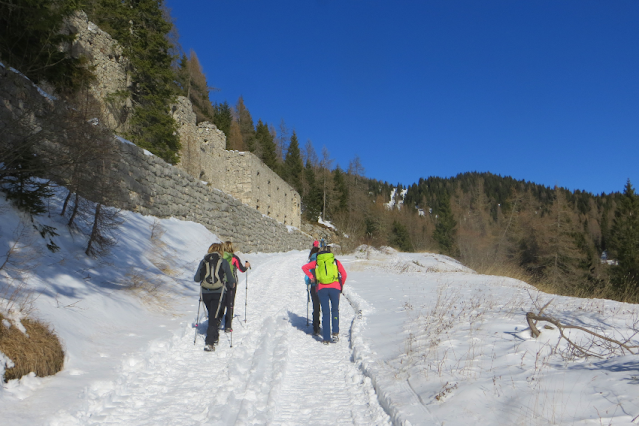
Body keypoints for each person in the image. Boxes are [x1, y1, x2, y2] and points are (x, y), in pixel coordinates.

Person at [194, 242, 236, 352]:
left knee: (212, 314)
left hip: (205, 292)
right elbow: (231, 279)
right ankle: (210, 342)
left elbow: (196, 278)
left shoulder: (204, 261)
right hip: (218, 292)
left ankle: (215, 335)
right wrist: (232, 283)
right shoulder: (224, 261)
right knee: (214, 317)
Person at [302, 246, 347, 345]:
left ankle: (326, 338)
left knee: (325, 312)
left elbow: (304, 267)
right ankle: (335, 333)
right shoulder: (335, 261)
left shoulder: (317, 262)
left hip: (322, 288)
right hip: (335, 288)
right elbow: (344, 274)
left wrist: (311, 277)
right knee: (335, 310)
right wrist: (340, 285)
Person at [222, 241, 251, 333]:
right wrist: (247, 266)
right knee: (230, 303)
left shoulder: (220, 256)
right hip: (231, 283)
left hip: (220, 283)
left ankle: (217, 321)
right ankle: (228, 326)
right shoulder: (234, 258)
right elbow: (242, 269)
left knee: (221, 302)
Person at [305, 246, 321, 335]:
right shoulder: (322, 260)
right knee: (325, 307)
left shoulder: (311, 261)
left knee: (316, 307)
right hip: (323, 285)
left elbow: (307, 278)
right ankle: (326, 327)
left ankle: (316, 327)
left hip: (314, 287)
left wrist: (309, 281)